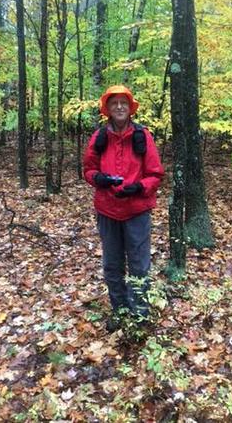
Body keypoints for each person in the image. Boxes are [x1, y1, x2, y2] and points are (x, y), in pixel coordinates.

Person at [83, 85, 164, 332]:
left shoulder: (143, 136)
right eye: (114, 103)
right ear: (107, 109)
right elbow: (88, 170)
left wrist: (138, 187)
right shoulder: (99, 137)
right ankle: (119, 311)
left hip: (137, 210)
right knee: (112, 264)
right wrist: (100, 179)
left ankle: (139, 315)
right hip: (107, 210)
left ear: (131, 109)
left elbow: (156, 173)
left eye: (124, 103)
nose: (119, 107)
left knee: (139, 264)